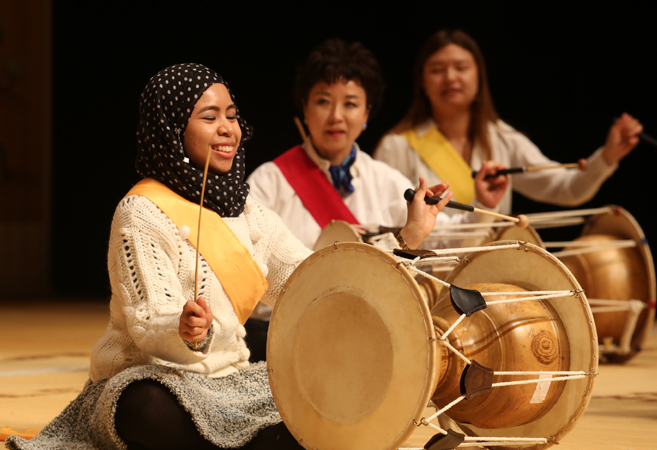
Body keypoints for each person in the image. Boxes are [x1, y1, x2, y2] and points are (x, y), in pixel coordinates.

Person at [5, 63, 448, 450]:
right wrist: (185, 328)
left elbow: (316, 277)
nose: (228, 129)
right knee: (146, 408)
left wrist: (405, 238)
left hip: (230, 382)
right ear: (172, 126)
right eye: (209, 117)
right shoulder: (140, 212)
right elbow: (147, 322)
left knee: (316, 398)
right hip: (154, 376)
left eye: (232, 117)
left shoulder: (249, 211)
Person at [245, 39, 508, 361]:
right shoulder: (267, 181)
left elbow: (445, 239)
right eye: (324, 101)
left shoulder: (385, 179)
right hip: (288, 336)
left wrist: (484, 203)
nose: (336, 116)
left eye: (351, 104)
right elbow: (248, 274)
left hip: (368, 334)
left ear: (367, 112)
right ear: (304, 106)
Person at [374, 29, 644, 216]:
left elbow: (567, 188)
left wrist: (608, 156)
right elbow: (387, 219)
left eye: (461, 67)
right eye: (437, 70)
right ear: (422, 82)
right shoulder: (397, 146)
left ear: (479, 77)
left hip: (495, 277)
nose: (450, 77)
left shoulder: (502, 138)